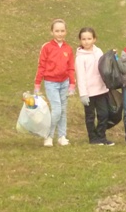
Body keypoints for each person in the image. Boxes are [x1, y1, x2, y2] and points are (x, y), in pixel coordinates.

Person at [33, 18, 76, 147]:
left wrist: (72, 84)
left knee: (63, 110)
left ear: (66, 32)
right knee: (56, 109)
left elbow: (71, 67)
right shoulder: (46, 47)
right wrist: (37, 84)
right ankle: (48, 136)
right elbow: (41, 66)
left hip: (64, 83)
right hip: (51, 83)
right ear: (52, 32)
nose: (60, 33)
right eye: (57, 31)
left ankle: (62, 136)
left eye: (62, 31)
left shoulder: (68, 48)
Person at [74, 27, 114, 146]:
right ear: (80, 40)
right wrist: (83, 94)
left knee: (104, 114)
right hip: (89, 93)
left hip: (101, 90)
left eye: (89, 38)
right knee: (90, 116)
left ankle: (101, 136)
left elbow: (104, 68)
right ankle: (93, 138)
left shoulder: (99, 52)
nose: (86, 41)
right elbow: (80, 77)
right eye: (84, 39)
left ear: (94, 39)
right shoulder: (80, 58)